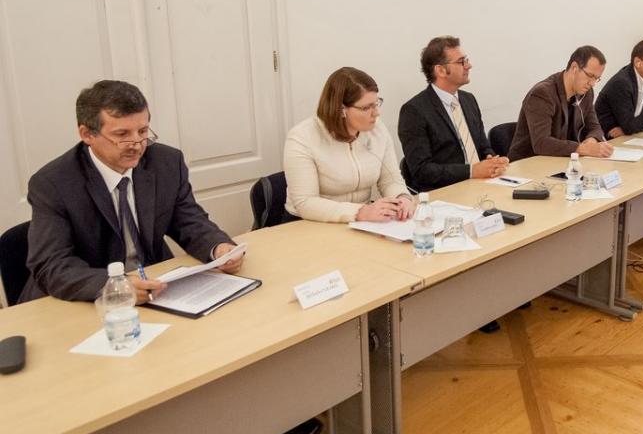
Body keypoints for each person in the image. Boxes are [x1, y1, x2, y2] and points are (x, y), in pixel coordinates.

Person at [21, 80, 243, 304]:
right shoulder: (53, 184)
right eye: (122, 134)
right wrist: (116, 286)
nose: (137, 144)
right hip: (86, 299)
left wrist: (218, 248)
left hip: (153, 286)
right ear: (87, 134)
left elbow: (189, 221)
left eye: (143, 131)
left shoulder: (166, 163)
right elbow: (51, 264)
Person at [284, 67, 414, 223]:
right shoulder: (302, 137)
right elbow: (305, 203)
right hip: (308, 222)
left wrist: (402, 198)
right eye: (366, 108)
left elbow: (390, 180)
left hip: (360, 221)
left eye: (376, 103)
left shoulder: (377, 129)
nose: (376, 113)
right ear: (341, 110)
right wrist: (360, 212)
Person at [398, 36, 509, 192]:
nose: (469, 66)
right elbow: (422, 170)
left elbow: (483, 147)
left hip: (482, 186)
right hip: (445, 192)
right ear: (440, 70)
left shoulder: (468, 100)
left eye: (466, 60)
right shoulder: (414, 111)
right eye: (461, 62)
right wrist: (472, 171)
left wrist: (492, 160)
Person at [508, 46, 614, 161]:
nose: (592, 83)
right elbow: (541, 143)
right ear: (574, 68)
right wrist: (583, 149)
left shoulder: (586, 92)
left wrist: (592, 141)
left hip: (561, 161)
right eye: (590, 76)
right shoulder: (542, 94)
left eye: (597, 78)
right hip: (528, 163)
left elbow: (595, 127)